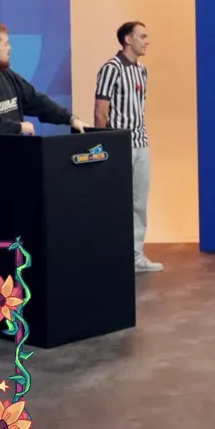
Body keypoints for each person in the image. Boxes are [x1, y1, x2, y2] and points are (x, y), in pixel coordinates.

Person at [0, 22, 86, 339]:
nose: (10, 47)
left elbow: (35, 99)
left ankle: (10, 303)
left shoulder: (8, 77)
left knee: (10, 239)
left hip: (9, 171)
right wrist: (18, 127)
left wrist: (69, 118)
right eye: (6, 43)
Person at [94, 21, 162, 272]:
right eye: (142, 36)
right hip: (118, 146)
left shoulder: (142, 71)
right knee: (115, 202)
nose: (147, 41)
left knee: (139, 203)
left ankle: (135, 256)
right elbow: (100, 112)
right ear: (127, 40)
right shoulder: (110, 68)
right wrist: (104, 146)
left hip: (141, 144)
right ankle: (109, 253)